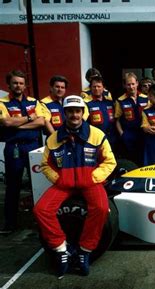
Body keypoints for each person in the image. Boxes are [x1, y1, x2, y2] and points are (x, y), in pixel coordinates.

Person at [33, 95, 116, 278]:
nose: (74, 115)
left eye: (77, 111)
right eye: (70, 111)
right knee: (41, 209)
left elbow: (110, 162)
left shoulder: (97, 134)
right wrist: (58, 178)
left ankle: (84, 251)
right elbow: (46, 165)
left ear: (83, 112)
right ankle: (61, 250)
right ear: (65, 113)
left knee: (102, 208)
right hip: (64, 184)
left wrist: (94, 177)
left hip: (90, 183)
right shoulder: (53, 138)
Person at [0, 70, 47, 234]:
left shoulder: (34, 102)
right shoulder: (2, 102)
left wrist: (17, 125)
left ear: (25, 85)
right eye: (15, 83)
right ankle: (10, 223)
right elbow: (6, 122)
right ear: (9, 85)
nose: (18, 86)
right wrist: (29, 118)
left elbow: (41, 121)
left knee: (39, 186)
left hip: (33, 147)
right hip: (14, 149)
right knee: (13, 186)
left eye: (21, 83)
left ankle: (42, 222)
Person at [114, 72, 148, 166]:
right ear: (125, 85)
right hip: (128, 135)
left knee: (143, 161)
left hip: (144, 134)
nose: (131, 87)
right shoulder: (120, 100)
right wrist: (123, 134)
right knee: (131, 162)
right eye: (128, 84)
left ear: (137, 83)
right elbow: (117, 120)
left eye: (133, 84)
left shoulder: (146, 98)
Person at [84, 76, 118, 152]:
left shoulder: (110, 101)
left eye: (99, 86)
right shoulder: (86, 103)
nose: (96, 89)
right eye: (94, 86)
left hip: (112, 138)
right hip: (96, 140)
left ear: (103, 88)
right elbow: (83, 122)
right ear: (90, 88)